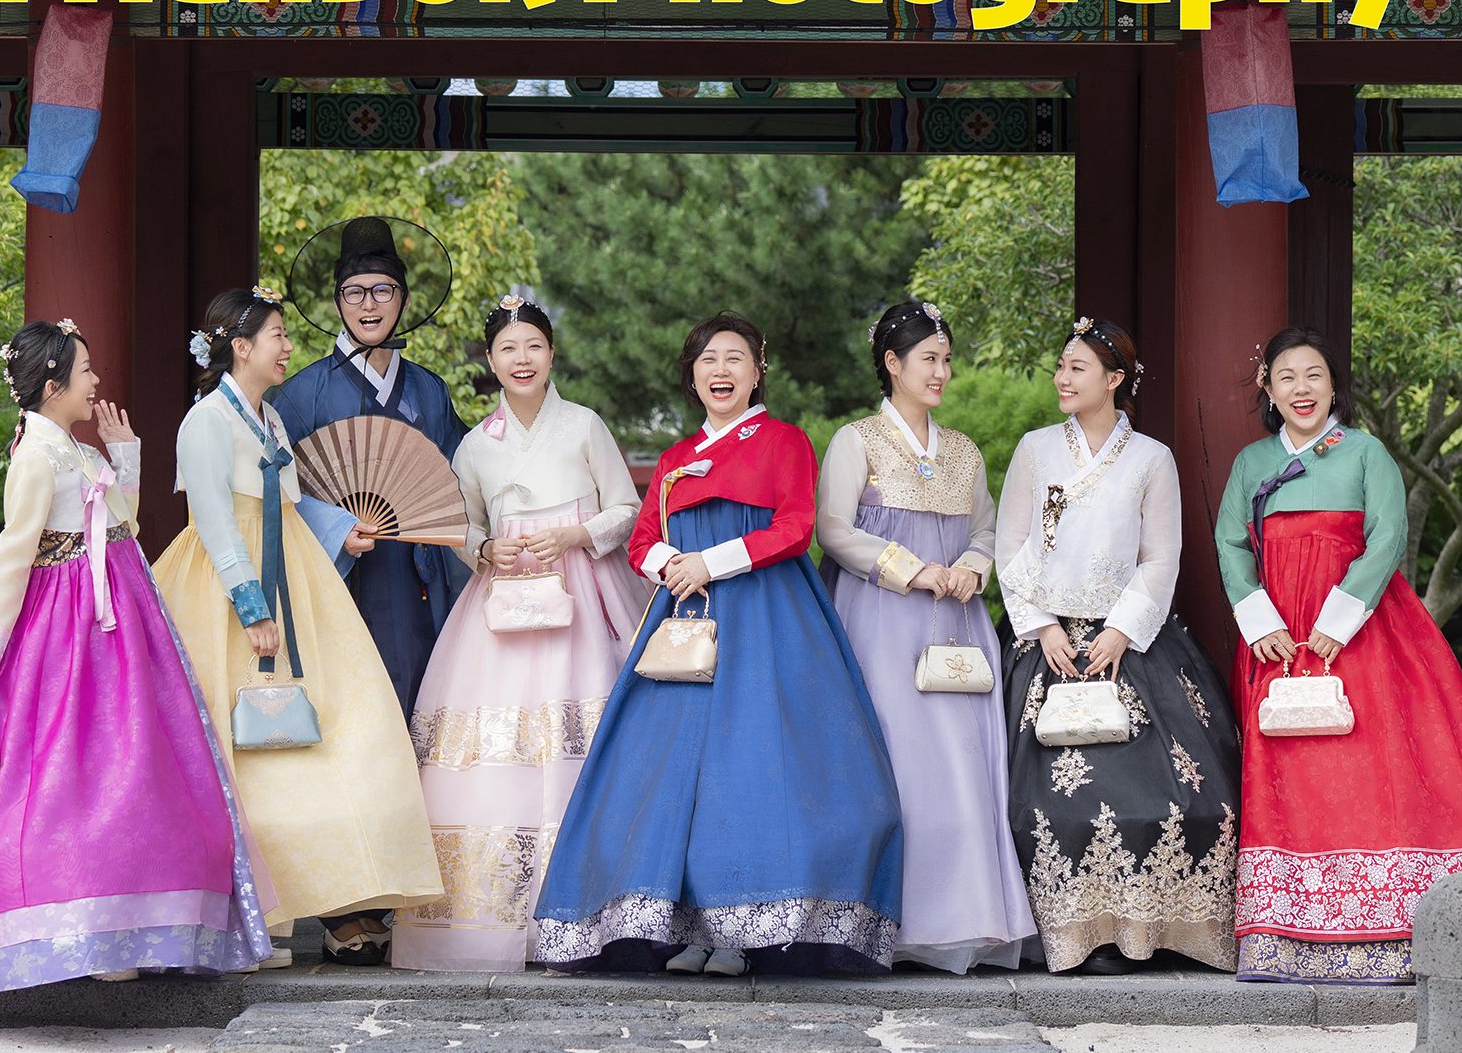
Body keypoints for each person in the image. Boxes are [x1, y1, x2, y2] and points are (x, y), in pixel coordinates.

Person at [0, 319, 273, 996]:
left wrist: (124, 452)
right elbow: (13, 557)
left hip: (117, 621)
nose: (95, 381)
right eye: (85, 372)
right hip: (65, 626)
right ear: (53, 386)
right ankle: (83, 928)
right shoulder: (35, 456)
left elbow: (121, 521)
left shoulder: (70, 448)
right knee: (70, 780)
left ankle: (128, 923)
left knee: (132, 772)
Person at [532, 312, 905, 977]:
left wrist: (712, 562)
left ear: (759, 370)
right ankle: (684, 926)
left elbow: (795, 528)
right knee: (663, 777)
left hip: (769, 617)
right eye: (708, 360)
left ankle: (762, 932)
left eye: (735, 358)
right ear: (692, 376)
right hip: (682, 622)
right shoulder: (675, 460)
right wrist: (675, 565)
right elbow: (642, 541)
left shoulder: (785, 441)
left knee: (763, 766)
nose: (721, 371)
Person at [1217, 326, 1462, 985]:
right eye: (1287, 377)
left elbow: (1387, 535)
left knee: (1381, 767)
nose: (1301, 389)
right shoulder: (1252, 463)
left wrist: (1341, 618)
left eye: (1314, 375)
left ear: (1334, 384)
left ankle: (1403, 931)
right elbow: (1231, 544)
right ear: (1267, 389)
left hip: (1363, 631)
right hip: (1281, 639)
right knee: (1294, 778)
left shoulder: (1366, 453)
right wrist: (1259, 622)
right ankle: (1290, 935)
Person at [151, 286, 444, 970]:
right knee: (238, 752)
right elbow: (216, 521)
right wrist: (252, 608)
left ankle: (305, 902)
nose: (288, 347)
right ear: (240, 345)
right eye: (277, 335)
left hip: (297, 580)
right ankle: (251, 916)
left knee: (342, 732)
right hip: (229, 589)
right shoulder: (205, 423)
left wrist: (344, 531)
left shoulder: (271, 420)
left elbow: (292, 505)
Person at [391, 295, 654, 973]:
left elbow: (628, 506)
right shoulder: (476, 445)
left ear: (551, 353)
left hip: (582, 599)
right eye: (509, 349)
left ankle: (584, 914)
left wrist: (579, 532)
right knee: (493, 758)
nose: (522, 359)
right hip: (503, 609)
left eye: (533, 346)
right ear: (490, 361)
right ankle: (491, 922)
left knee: (582, 739)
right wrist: (484, 552)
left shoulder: (585, 426)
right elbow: (463, 524)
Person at [995, 317, 1240, 974]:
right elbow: (1010, 544)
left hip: (1130, 640)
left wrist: (1122, 632)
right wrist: (1041, 625)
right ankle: (1068, 934)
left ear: (1115, 379)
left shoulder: (1151, 459)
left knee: (1176, 795)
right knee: (1033, 798)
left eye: (1077, 368)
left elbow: (1162, 557)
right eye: (1060, 365)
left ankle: (1149, 931)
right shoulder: (1035, 448)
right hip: (1046, 640)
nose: (1061, 378)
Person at [817, 299, 1037, 974]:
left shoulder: (964, 451)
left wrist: (972, 568)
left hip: (957, 621)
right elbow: (834, 529)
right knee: (900, 761)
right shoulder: (855, 441)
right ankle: (888, 919)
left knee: (963, 764)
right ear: (892, 363)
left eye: (946, 359)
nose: (942, 371)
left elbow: (986, 530)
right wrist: (912, 571)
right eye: (928, 359)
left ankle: (964, 919)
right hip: (882, 614)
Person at [273, 216, 473, 715]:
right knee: (353, 706)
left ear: (404, 301)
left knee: (424, 695)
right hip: (341, 573)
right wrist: (337, 524)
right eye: (354, 292)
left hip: (419, 574)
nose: (369, 304)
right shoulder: (301, 394)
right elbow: (278, 490)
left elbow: (458, 480)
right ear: (338, 303)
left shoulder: (429, 389)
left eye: (383, 291)